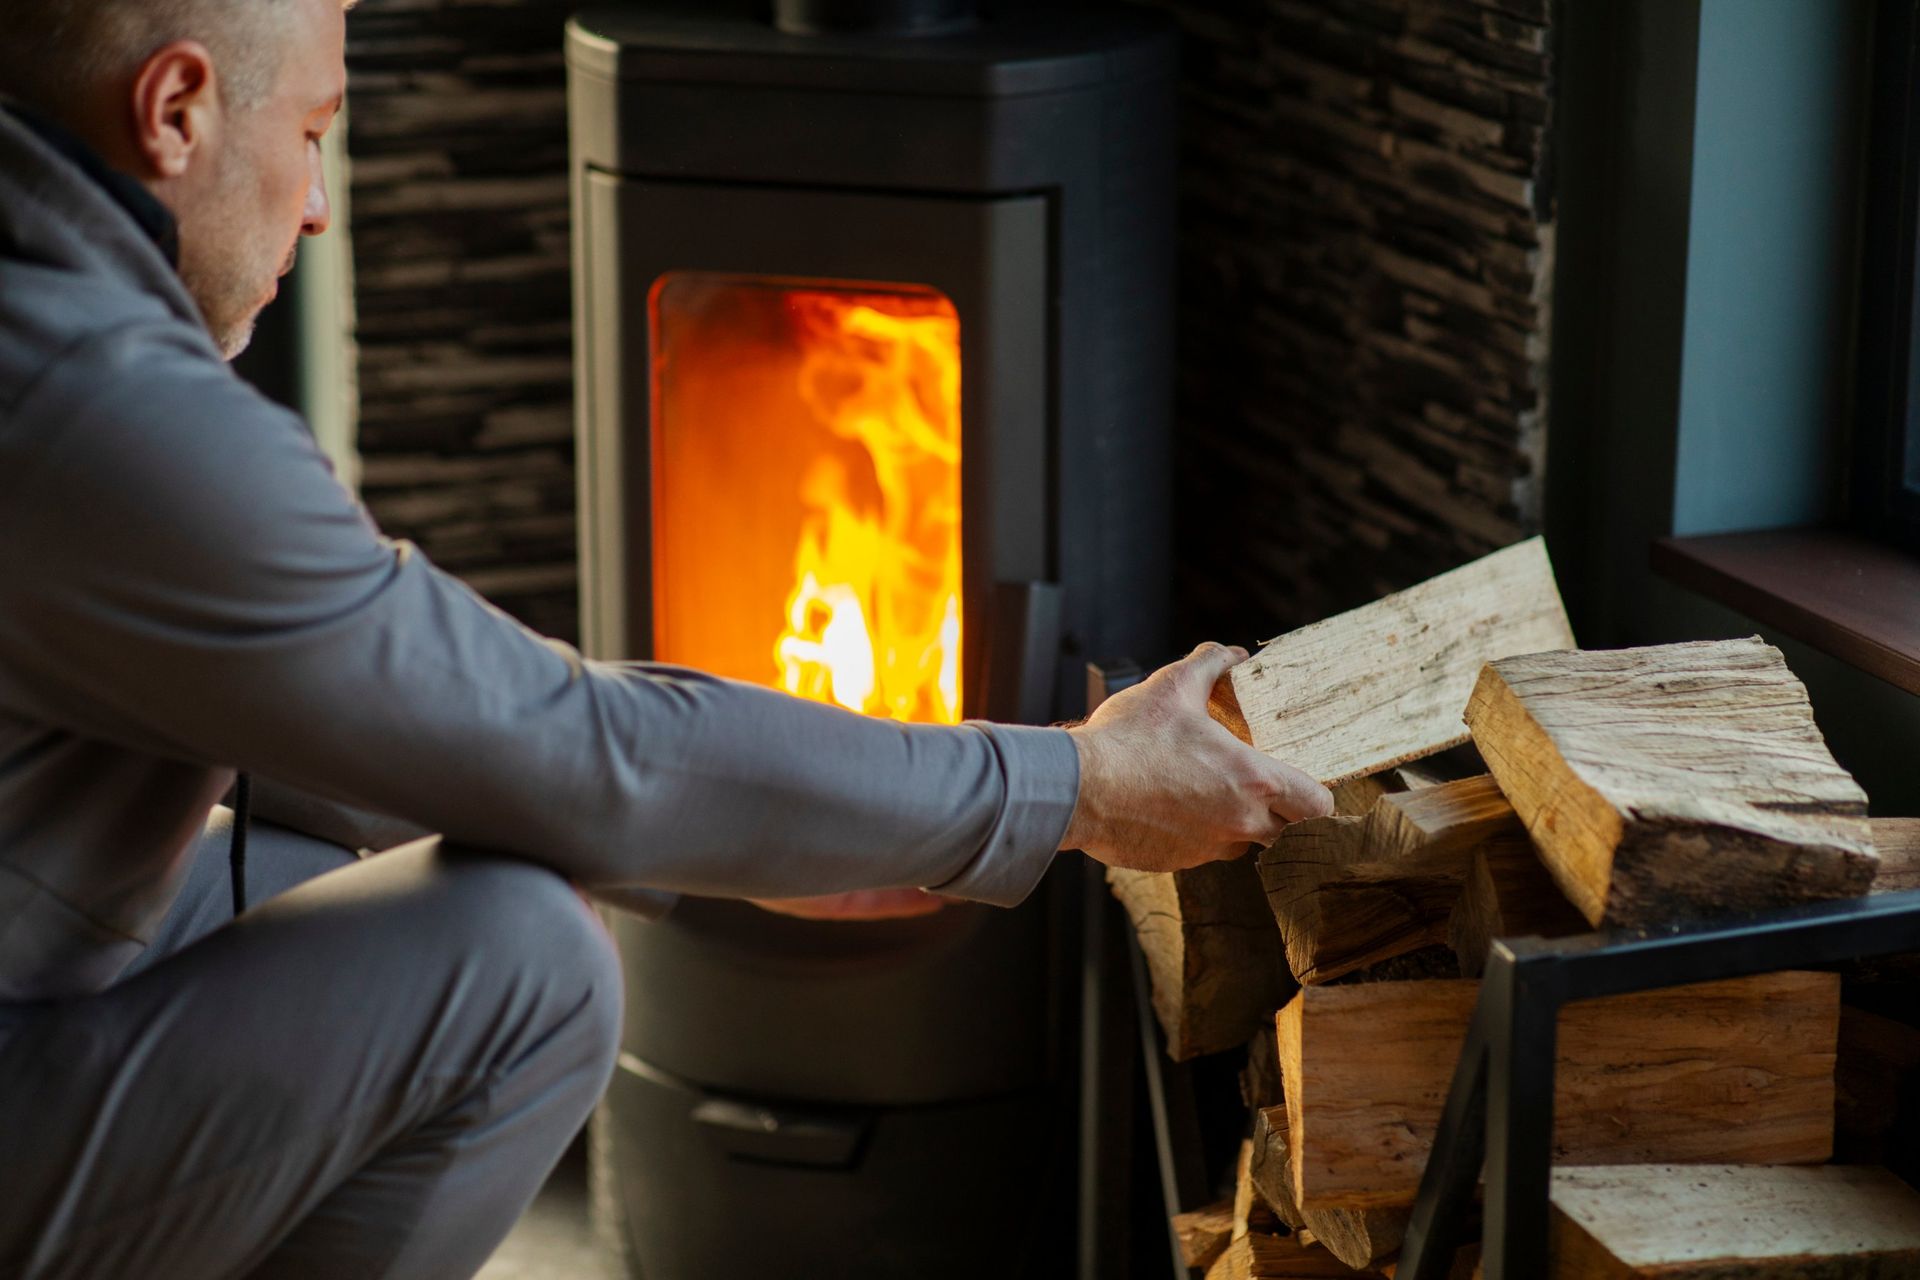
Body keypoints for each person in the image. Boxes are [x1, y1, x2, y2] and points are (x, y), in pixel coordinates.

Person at [0, 0, 1332, 1275]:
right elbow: (578, 754)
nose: (318, 203)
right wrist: (1081, 785)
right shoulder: (97, 414)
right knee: (522, 960)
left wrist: (744, 807)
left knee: (304, 849)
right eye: (310, 130)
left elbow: (439, 744)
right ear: (175, 109)